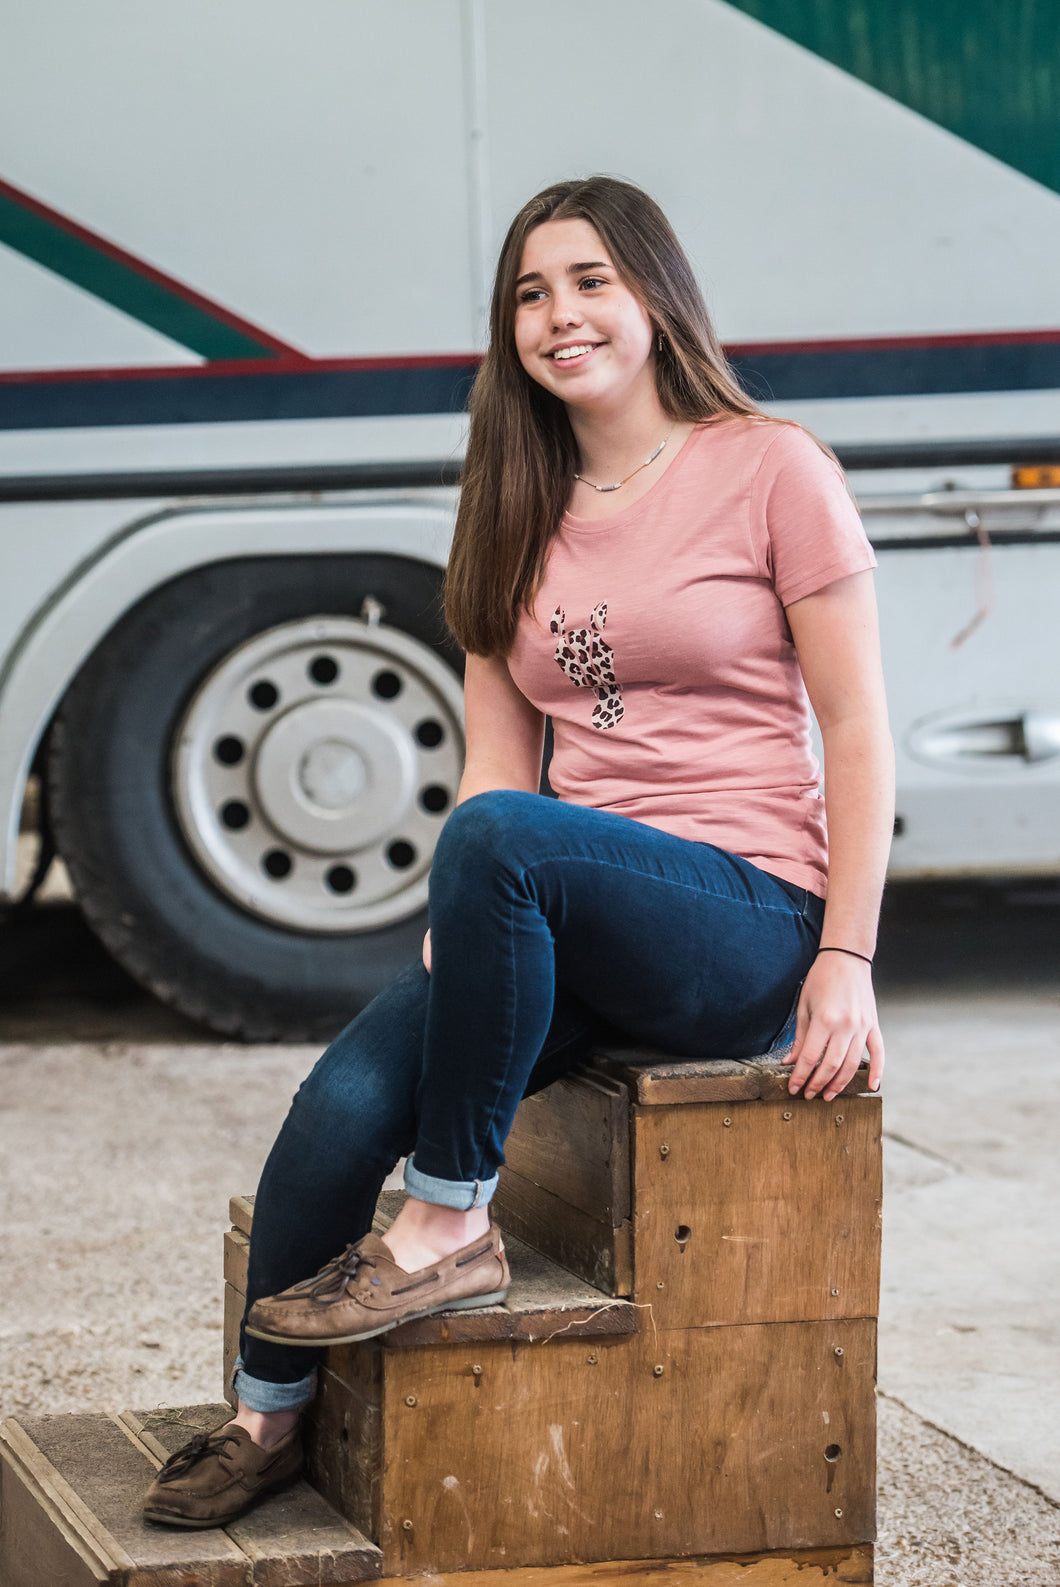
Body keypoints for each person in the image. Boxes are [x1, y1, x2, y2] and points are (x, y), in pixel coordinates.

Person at [142, 176, 893, 1528]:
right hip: (564, 907)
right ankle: (266, 1421)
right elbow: (498, 762)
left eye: (591, 281)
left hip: (741, 916)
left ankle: (450, 1228)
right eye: (531, 295)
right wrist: (469, 917)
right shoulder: (509, 502)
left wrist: (845, 955)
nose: (562, 316)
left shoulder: (773, 466)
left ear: (656, 297)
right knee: (339, 1107)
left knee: (500, 846)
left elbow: (856, 727)